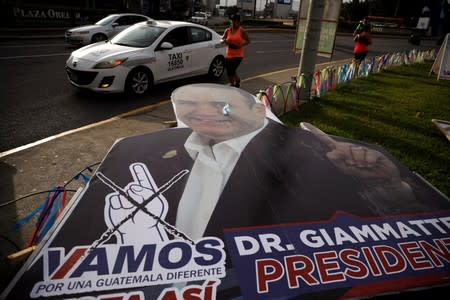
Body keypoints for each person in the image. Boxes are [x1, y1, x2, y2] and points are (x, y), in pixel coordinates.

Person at [4, 84, 450, 300]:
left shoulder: (323, 150)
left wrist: (389, 188)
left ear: (259, 108)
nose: (202, 113)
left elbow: (396, 228)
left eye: (219, 103)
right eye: (187, 106)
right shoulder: (136, 151)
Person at [220, 13, 250, 88]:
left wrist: (241, 45)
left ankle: (232, 85)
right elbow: (221, 39)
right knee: (229, 70)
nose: (233, 22)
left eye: (235, 21)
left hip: (238, 54)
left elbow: (248, 41)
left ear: (238, 22)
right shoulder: (227, 30)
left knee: (231, 71)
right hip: (229, 53)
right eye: (232, 21)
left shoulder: (242, 31)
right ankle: (237, 80)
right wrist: (223, 41)